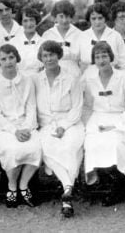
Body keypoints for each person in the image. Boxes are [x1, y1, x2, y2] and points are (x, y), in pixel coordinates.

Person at [0, 44, 42, 208]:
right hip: (2, 128)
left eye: (11, 57)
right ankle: (11, 187)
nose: (8, 62)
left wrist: (26, 128)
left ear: (17, 59)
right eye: (3, 59)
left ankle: (23, 185)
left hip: (26, 125)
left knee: (37, 147)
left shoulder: (27, 81)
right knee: (12, 150)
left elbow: (31, 108)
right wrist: (15, 131)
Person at [81, 42, 125, 206]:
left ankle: (120, 185)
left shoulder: (124, 76)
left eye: (104, 56)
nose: (101, 60)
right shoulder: (89, 79)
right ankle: (105, 181)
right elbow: (86, 104)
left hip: (120, 117)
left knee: (116, 144)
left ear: (111, 57)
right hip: (98, 118)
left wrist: (119, 123)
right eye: (97, 57)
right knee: (92, 145)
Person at [33, 41, 84, 218]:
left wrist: (64, 126)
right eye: (45, 55)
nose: (49, 59)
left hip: (70, 122)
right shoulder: (35, 79)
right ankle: (68, 188)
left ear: (59, 56)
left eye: (52, 54)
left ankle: (67, 192)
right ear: (41, 58)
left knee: (71, 146)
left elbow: (77, 107)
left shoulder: (71, 78)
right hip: (47, 125)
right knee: (47, 148)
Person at [78, 2, 125, 74]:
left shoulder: (115, 36)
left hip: (112, 79)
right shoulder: (82, 36)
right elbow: (77, 62)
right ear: (89, 19)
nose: (97, 22)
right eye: (93, 18)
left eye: (100, 18)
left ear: (105, 18)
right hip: (89, 80)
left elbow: (124, 64)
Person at [42, 0, 82, 78]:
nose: (64, 20)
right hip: (52, 73)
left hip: (73, 74)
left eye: (67, 16)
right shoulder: (47, 35)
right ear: (55, 17)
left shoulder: (79, 34)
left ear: (71, 17)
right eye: (61, 16)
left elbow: (83, 60)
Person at [9, 6, 44, 77]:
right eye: (25, 20)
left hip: (39, 80)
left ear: (36, 21)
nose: (29, 24)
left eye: (31, 20)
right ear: (21, 22)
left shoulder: (43, 43)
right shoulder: (13, 43)